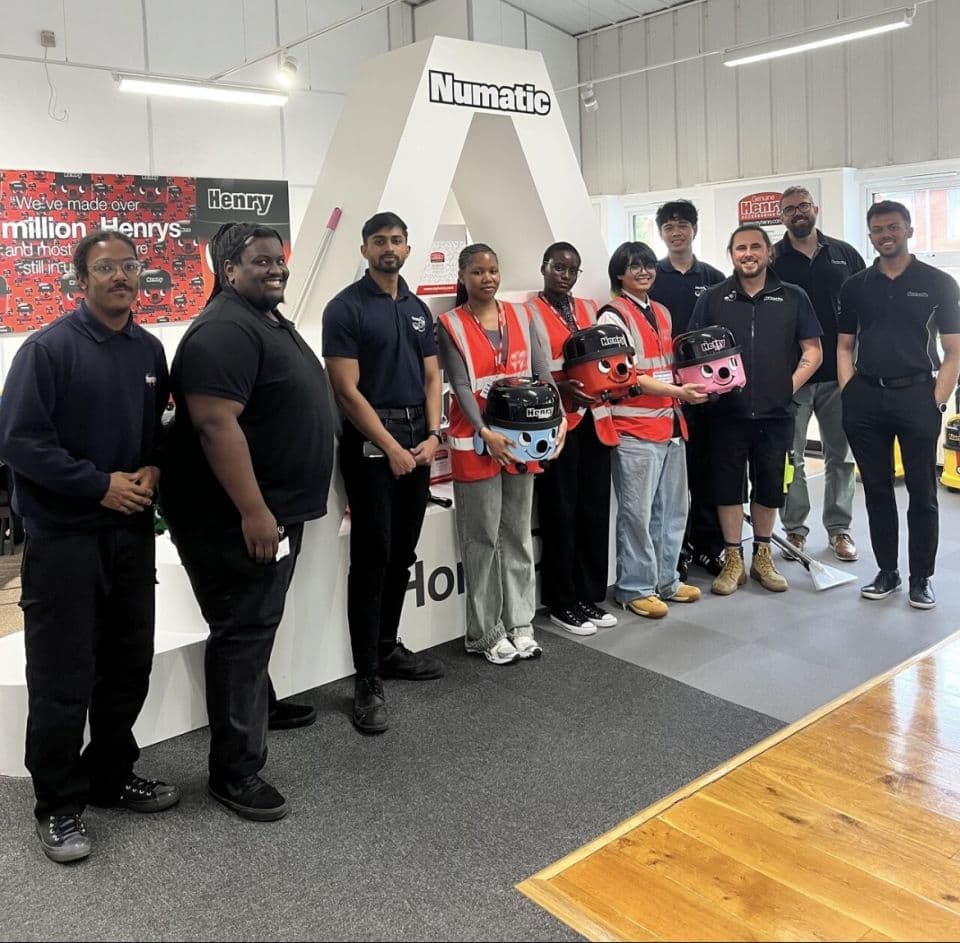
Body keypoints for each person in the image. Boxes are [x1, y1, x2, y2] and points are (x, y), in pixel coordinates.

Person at [0, 231, 179, 864]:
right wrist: (97, 485)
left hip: (130, 539)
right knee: (61, 677)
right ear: (82, 280)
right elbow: (19, 443)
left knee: (128, 664)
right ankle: (58, 804)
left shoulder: (149, 350)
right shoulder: (47, 351)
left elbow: (157, 432)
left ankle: (108, 774)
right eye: (106, 268)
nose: (121, 277)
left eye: (130, 267)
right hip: (65, 541)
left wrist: (152, 470)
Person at [161, 222, 335, 822]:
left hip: (274, 510)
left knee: (257, 623)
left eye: (279, 260)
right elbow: (215, 425)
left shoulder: (262, 317)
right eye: (261, 261)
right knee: (242, 630)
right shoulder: (222, 330)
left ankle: (257, 708)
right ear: (227, 268)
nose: (275, 269)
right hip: (237, 517)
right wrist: (256, 512)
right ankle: (235, 770)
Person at [323, 212, 444, 736]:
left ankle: (388, 648)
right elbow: (346, 390)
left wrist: (434, 435)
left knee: (402, 555)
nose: (388, 248)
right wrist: (390, 445)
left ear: (407, 247)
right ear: (365, 248)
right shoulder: (344, 308)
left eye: (397, 240)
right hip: (373, 448)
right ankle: (366, 679)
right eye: (379, 241)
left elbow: (433, 375)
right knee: (372, 559)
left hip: (418, 444)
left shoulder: (417, 309)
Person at [438, 243, 564, 662]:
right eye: (477, 272)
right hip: (476, 444)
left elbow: (543, 373)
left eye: (492, 270)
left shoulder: (522, 315)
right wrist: (484, 431)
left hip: (522, 439)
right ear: (462, 276)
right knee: (481, 539)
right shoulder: (450, 324)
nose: (487, 278)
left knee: (516, 534)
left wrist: (559, 418)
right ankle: (486, 632)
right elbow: (459, 384)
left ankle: (521, 624)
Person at [838, 200, 960, 609]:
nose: (885, 235)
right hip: (866, 396)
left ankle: (920, 578)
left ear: (908, 229)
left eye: (893, 227)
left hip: (917, 395)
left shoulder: (938, 282)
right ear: (870, 235)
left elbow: (953, 350)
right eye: (877, 229)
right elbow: (844, 344)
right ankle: (887, 571)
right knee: (876, 489)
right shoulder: (855, 285)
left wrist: (936, 400)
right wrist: (849, 390)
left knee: (923, 493)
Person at [689, 225, 822, 596]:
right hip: (726, 414)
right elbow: (692, 351)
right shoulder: (714, 298)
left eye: (755, 247)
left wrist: (787, 387)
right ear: (731, 254)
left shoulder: (793, 297)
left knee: (769, 486)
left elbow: (813, 351)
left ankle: (762, 556)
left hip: (776, 414)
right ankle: (733, 559)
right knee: (728, 487)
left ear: (769, 253)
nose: (748, 254)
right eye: (740, 248)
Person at [598, 241, 707, 619]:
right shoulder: (612, 316)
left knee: (673, 511)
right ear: (619, 274)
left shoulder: (661, 311)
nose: (643, 272)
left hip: (671, 424)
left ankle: (666, 581)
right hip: (633, 429)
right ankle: (634, 587)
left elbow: (668, 366)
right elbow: (627, 376)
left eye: (647, 265)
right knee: (637, 515)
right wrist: (680, 391)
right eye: (634, 267)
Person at [527, 242, 618, 636]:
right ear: (544, 267)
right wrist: (563, 390)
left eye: (572, 270)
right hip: (559, 422)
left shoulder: (587, 308)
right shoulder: (528, 312)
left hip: (595, 418)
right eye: (558, 268)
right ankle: (562, 601)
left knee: (593, 509)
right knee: (560, 513)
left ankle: (588, 595)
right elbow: (535, 366)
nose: (564, 275)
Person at [771, 186, 865, 563]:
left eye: (803, 206)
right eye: (789, 209)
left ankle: (839, 530)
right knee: (789, 457)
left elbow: (866, 306)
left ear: (815, 209)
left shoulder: (844, 255)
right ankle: (794, 530)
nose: (798, 213)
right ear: (781, 217)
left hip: (840, 376)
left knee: (839, 457)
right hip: (790, 377)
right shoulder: (773, 259)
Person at [648, 199, 726, 578]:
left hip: (705, 391)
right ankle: (675, 550)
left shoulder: (713, 277)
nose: (676, 232)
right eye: (669, 227)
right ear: (661, 233)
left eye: (683, 225)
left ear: (694, 229)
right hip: (663, 393)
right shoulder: (651, 278)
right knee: (672, 481)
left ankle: (710, 547)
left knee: (707, 472)